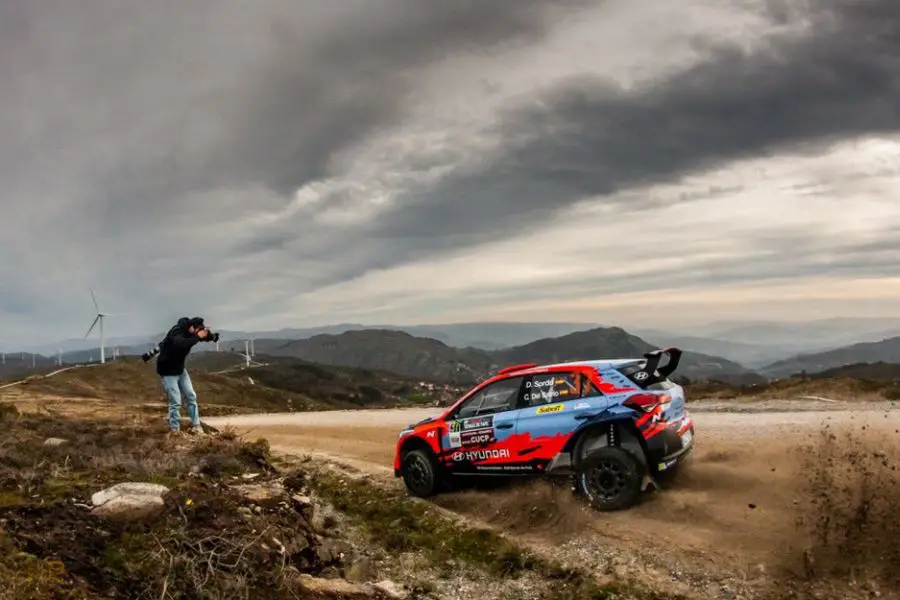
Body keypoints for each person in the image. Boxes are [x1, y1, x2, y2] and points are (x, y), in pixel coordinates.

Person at [155, 316, 217, 436]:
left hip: (180, 369)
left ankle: (196, 426)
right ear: (192, 328)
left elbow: (201, 337)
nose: (198, 334)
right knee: (176, 401)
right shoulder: (176, 331)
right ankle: (175, 431)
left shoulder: (192, 333)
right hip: (168, 371)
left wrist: (212, 336)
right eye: (198, 330)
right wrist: (198, 336)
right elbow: (181, 344)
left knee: (191, 396)